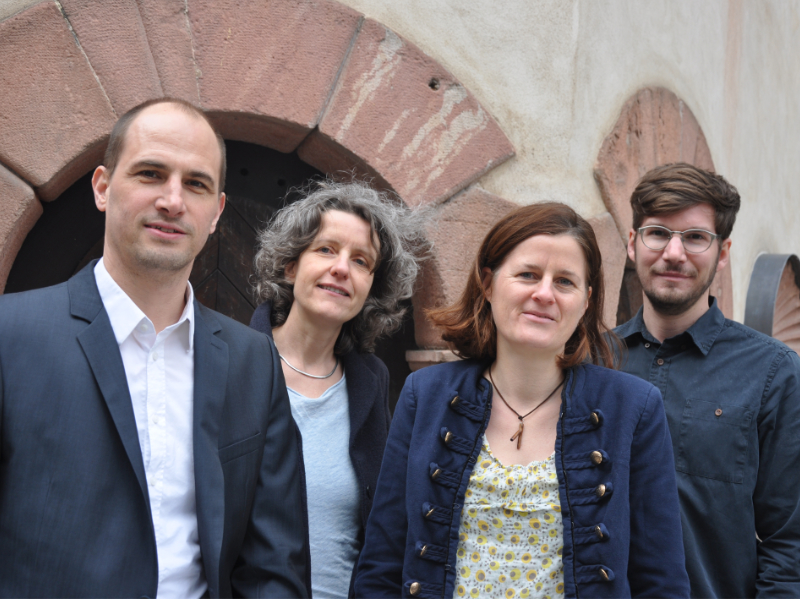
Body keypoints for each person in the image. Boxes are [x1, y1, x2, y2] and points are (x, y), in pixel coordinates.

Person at [0, 98, 308, 598]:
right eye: (150, 173)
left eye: (196, 183)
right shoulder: (10, 336)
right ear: (103, 187)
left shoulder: (253, 361)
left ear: (216, 213)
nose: (173, 200)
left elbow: (275, 564)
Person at [354, 202, 689, 599]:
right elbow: (382, 563)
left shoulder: (633, 408)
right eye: (528, 274)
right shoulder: (425, 395)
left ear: (585, 301)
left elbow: (661, 581)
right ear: (488, 283)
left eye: (565, 281)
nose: (544, 293)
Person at [615, 162, 800, 598]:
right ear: (632, 244)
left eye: (695, 237)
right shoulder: (592, 361)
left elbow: (789, 541)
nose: (674, 253)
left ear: (722, 253)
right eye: (658, 232)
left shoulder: (773, 372)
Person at [249, 180, 429, 599]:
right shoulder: (231, 364)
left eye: (362, 261)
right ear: (291, 265)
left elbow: (382, 525)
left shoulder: (370, 382)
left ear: (371, 287)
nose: (342, 268)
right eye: (326, 249)